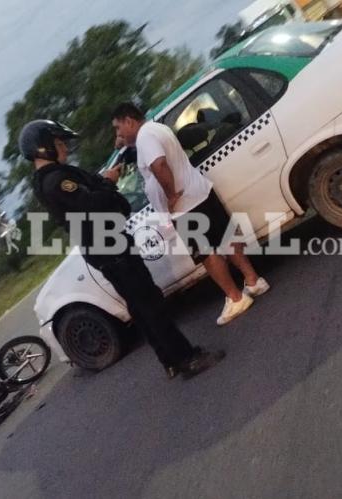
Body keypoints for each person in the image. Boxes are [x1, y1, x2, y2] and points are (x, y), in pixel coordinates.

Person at [19, 119, 224, 380]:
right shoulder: (56, 181)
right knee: (151, 303)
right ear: (43, 147)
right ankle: (187, 359)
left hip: (104, 247)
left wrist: (102, 181)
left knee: (140, 307)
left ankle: (169, 361)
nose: (64, 149)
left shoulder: (48, 181)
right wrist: (108, 182)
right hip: (110, 248)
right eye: (59, 143)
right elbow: (94, 205)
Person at [111, 102, 270, 326]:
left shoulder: (145, 137)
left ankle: (235, 298)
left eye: (118, 128)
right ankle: (253, 280)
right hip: (199, 191)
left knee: (206, 253)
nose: (117, 133)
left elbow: (159, 165)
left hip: (185, 205)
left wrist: (171, 195)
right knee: (225, 238)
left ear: (129, 121)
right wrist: (121, 144)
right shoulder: (157, 128)